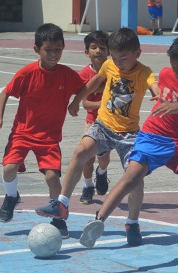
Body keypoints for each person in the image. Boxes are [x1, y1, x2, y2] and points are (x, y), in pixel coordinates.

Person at [79, 35, 178, 265]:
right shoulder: (165, 73)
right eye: (174, 66)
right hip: (154, 136)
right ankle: (98, 221)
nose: (176, 72)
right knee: (131, 176)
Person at [35, 28, 160, 247]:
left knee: (136, 178)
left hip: (129, 134)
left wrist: (159, 94)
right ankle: (62, 203)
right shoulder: (109, 65)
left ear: (137, 53)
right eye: (115, 57)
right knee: (81, 151)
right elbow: (93, 83)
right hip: (103, 125)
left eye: (124, 58)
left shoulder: (144, 72)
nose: (118, 62)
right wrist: (76, 100)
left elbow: (154, 85)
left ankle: (132, 222)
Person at [0, 23, 88, 239]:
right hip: (22, 133)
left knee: (52, 178)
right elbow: (5, 93)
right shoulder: (27, 73)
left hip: (49, 138)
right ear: (36, 49)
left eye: (58, 49)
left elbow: (87, 87)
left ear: (63, 48)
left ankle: (58, 218)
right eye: (48, 50)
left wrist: (75, 102)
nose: (53, 54)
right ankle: (11, 197)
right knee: (9, 169)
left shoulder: (67, 75)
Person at [78, 31, 112, 205]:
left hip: (109, 123)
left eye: (103, 47)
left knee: (103, 157)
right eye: (94, 47)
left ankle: (102, 173)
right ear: (87, 52)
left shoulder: (114, 71)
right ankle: (88, 186)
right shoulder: (84, 74)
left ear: (109, 51)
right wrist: (103, 104)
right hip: (92, 122)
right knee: (86, 156)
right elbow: (85, 104)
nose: (98, 50)